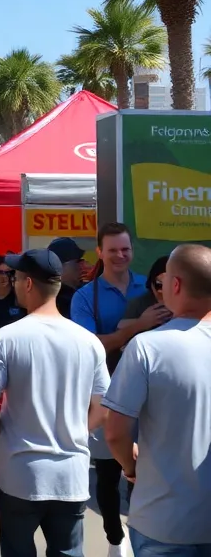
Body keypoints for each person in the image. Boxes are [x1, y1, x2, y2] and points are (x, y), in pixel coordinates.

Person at [0, 250, 110, 557]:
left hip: (20, 474)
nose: (14, 283)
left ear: (29, 284)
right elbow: (102, 409)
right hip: (71, 475)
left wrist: (6, 439)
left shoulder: (6, 339)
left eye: (16, 278)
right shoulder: (89, 342)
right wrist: (74, 432)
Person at [103, 243, 211, 557]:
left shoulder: (147, 347)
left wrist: (130, 465)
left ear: (174, 285)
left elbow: (115, 431)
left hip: (162, 521)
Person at [70, 222, 160, 554]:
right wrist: (136, 327)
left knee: (144, 473)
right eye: (113, 250)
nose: (120, 255)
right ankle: (114, 538)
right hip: (105, 397)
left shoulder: (150, 287)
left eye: (125, 249)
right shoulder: (84, 296)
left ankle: (140, 535)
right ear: (99, 253)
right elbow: (89, 346)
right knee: (107, 476)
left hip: (151, 398)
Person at [120, 255, 170, 327]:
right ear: (151, 283)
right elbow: (120, 326)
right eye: (159, 285)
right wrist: (141, 322)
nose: (161, 291)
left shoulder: (184, 302)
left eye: (168, 286)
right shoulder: (140, 303)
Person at [46, 237, 88, 319]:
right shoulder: (53, 300)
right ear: (59, 266)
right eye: (78, 262)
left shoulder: (86, 291)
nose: (81, 266)